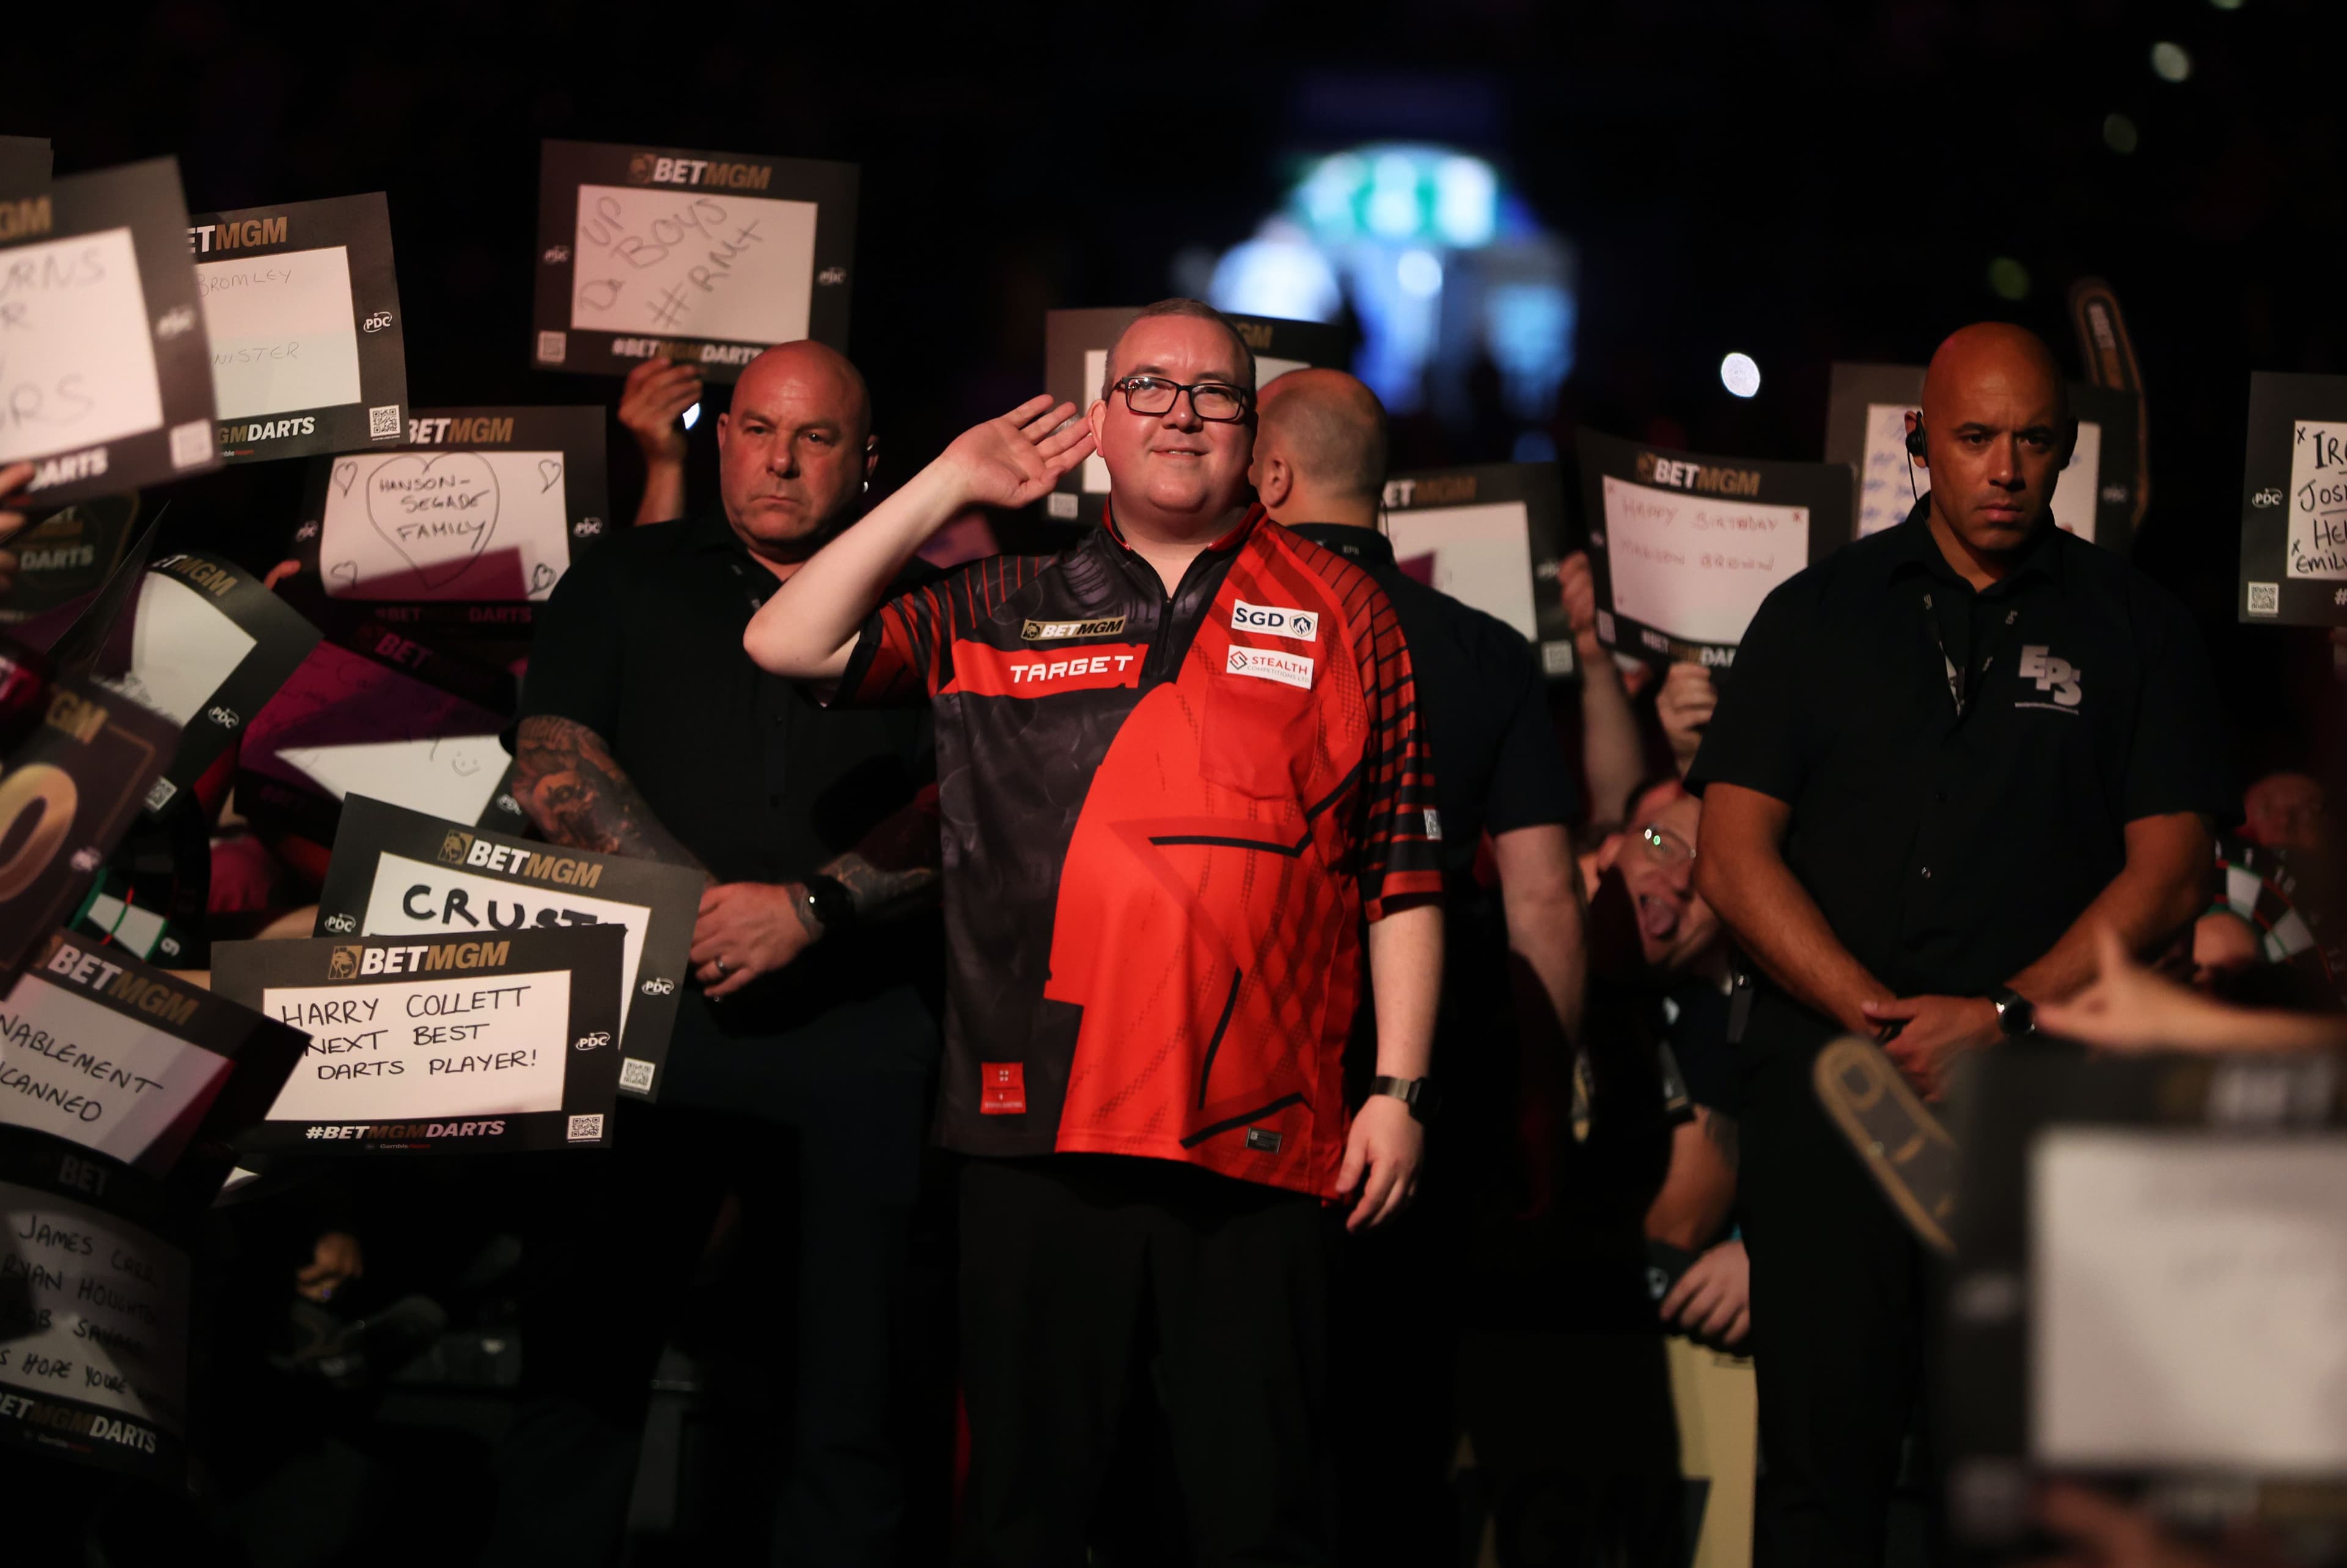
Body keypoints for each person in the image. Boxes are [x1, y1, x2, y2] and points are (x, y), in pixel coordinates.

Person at [743, 298, 1445, 1565]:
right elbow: (788, 636)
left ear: (1252, 429)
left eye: (1216, 392)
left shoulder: (1348, 610)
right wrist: (951, 477)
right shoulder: (999, 597)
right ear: (1102, 424)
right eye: (1151, 390)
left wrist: (1398, 1085)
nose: (1183, 412)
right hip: (1037, 1129)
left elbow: (1400, 866)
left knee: (1259, 1513)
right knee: (1024, 1511)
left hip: (1267, 1136)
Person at [1688, 322, 2229, 1566]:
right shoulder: (1816, 613)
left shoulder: (2137, 627)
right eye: (1976, 437)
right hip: (1830, 1094)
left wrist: (1998, 1013)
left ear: (2068, 450)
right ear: (1920, 441)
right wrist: (1879, 1015)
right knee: (1822, 1472)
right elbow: (1729, 856)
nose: (2004, 467)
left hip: (2039, 1098)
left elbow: (2171, 869)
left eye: (2032, 439)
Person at [498, 339, 943, 1566]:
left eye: (815, 438)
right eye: (755, 428)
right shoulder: (626, 575)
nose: (779, 460)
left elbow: (974, 793)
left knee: (850, 1394)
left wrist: (807, 908)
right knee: (581, 1369)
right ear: (720, 432)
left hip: (861, 1032)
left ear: (868, 461)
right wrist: (705, 912)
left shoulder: (936, 595)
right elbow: (553, 759)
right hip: (641, 1026)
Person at [1250, 367, 1585, 1561]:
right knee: (1397, 1433)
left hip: (1247, 1091)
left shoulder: (1225, 630)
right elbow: (1546, 892)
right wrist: (1544, 1094)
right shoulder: (1489, 653)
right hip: (1430, 1091)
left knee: (1249, 1432)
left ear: (1270, 474)